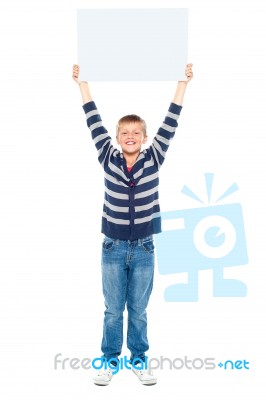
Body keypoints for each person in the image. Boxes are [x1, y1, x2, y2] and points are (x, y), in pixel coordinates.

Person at [72, 63, 193, 385]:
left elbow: (172, 118)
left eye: (135, 132)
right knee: (113, 311)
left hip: (144, 247)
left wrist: (182, 82)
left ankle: (139, 359)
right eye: (124, 132)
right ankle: (109, 361)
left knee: (138, 311)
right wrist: (83, 84)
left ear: (144, 137)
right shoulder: (107, 156)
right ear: (116, 137)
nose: (129, 137)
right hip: (112, 247)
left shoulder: (154, 157)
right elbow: (92, 119)